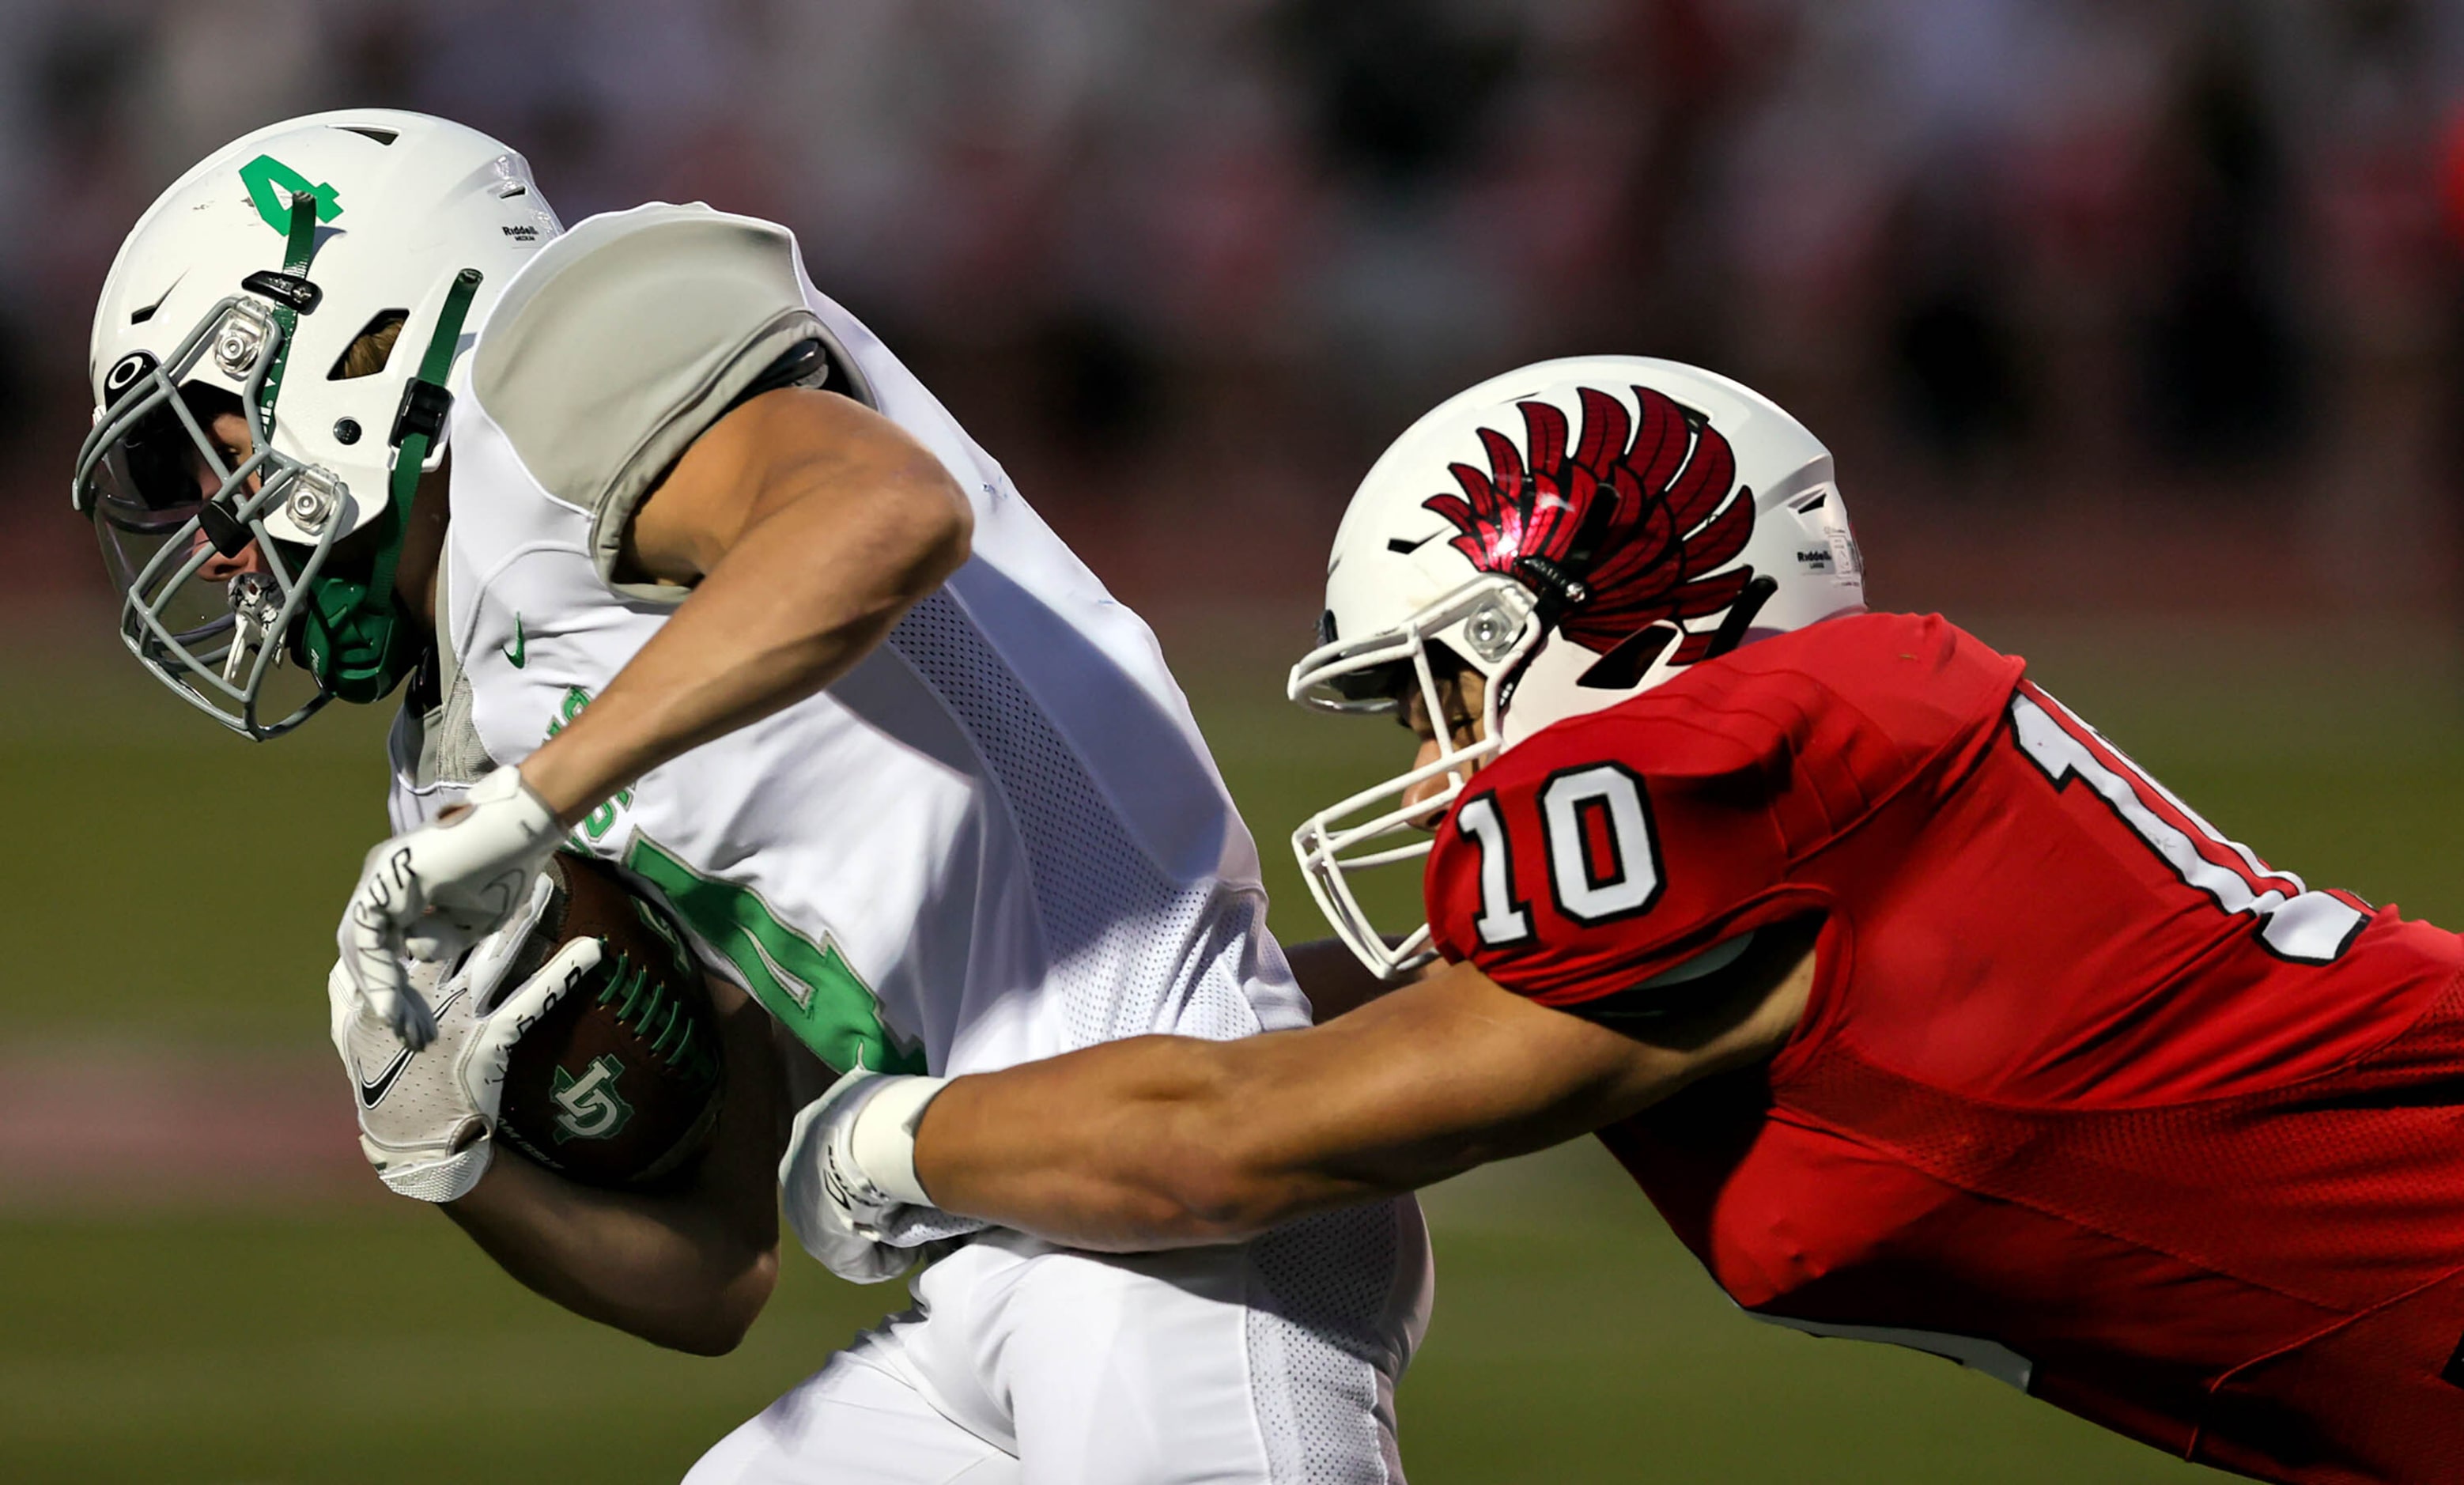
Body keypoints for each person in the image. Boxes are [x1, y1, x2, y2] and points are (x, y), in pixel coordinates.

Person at [791, 356, 2464, 1485]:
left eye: (1441, 692)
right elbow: (1335, 1023)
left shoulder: (1740, 770)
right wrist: (984, 1037)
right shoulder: (1812, 805)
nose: (1435, 761)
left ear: (1592, 615)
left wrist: (879, 1141)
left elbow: (1241, 1137)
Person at [74, 110, 1428, 1485]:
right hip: (986, 1241)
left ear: (347, 339)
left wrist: (539, 801)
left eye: (204, 448)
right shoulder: (462, 743)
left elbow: (880, 519)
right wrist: (441, 1148)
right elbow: (714, 1267)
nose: (213, 532)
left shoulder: (563, 346)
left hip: (1177, 1194)